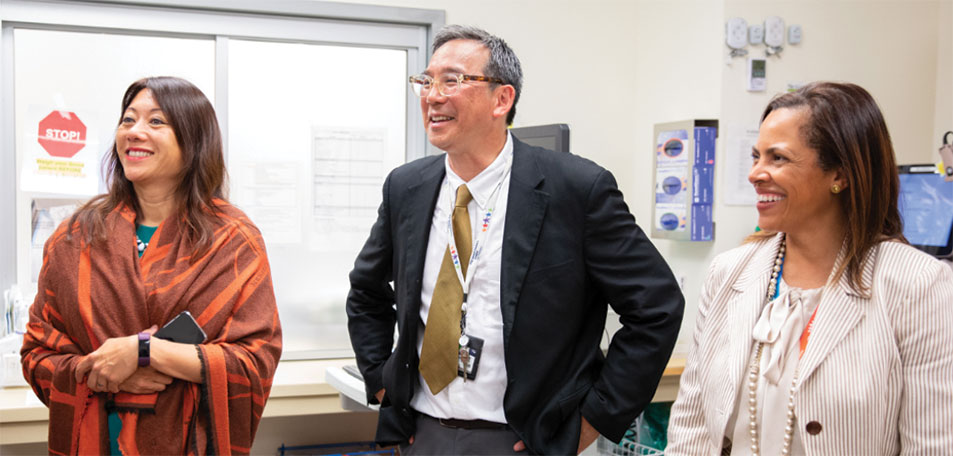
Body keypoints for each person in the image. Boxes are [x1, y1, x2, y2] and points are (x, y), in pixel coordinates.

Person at [346, 25, 684, 455]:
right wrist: (381, 384)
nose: (432, 96)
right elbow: (366, 291)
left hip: (523, 440)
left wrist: (594, 420)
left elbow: (656, 306)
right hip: (421, 433)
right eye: (426, 81)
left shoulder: (576, 189)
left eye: (451, 80)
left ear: (501, 99)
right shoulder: (406, 187)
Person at [667, 82, 953, 455]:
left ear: (840, 175)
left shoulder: (918, 285)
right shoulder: (729, 273)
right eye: (756, 156)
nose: (755, 173)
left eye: (778, 158)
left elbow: (933, 445)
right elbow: (692, 427)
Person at [21, 76, 282, 455]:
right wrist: (103, 374)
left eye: (155, 122)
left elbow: (254, 362)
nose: (135, 132)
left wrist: (142, 352)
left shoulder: (233, 239)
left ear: (193, 140)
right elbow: (37, 354)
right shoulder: (75, 236)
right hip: (96, 441)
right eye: (128, 120)